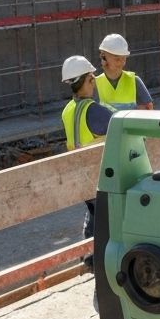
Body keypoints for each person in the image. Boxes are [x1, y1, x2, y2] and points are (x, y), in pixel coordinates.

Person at [61, 55, 115, 237]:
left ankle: (89, 255)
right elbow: (121, 127)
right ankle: (98, 257)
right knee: (108, 220)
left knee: (94, 214)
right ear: (90, 79)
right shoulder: (94, 111)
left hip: (80, 175)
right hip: (100, 175)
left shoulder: (67, 109)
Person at [95, 33, 154, 111]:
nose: (121, 63)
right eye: (117, 59)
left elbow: (149, 109)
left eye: (124, 58)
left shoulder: (134, 80)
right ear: (103, 56)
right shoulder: (94, 84)